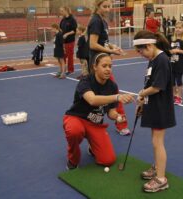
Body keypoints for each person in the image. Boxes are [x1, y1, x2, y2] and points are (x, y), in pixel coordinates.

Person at [63, 53, 135, 169]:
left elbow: (110, 112)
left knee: (108, 160)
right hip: (77, 118)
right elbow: (92, 100)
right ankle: (73, 160)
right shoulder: (85, 81)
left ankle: (93, 147)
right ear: (95, 67)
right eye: (104, 66)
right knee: (74, 131)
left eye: (110, 66)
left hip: (95, 124)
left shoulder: (112, 86)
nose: (108, 69)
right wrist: (117, 97)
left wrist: (117, 116)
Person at [133, 30, 175, 193]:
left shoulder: (162, 60)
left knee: (157, 142)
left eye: (141, 50)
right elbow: (149, 83)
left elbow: (157, 87)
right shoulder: (153, 59)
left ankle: (161, 179)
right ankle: (157, 167)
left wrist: (142, 94)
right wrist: (143, 102)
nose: (140, 54)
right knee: (154, 141)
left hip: (161, 108)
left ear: (150, 45)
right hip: (153, 105)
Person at [87, 0, 131, 136]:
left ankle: (94, 126)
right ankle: (121, 124)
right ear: (97, 6)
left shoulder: (103, 21)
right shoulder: (96, 21)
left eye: (109, 6)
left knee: (99, 95)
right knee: (114, 93)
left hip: (102, 62)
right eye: (104, 6)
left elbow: (103, 42)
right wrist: (111, 52)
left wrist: (112, 47)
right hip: (97, 64)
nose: (107, 9)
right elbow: (93, 44)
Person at [170, 21, 183, 105]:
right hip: (171, 63)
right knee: (171, 81)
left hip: (180, 64)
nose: (177, 29)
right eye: (176, 28)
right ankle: (174, 95)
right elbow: (169, 49)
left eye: (180, 28)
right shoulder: (172, 39)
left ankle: (179, 97)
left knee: (178, 80)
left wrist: (178, 50)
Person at [59, 6, 77, 75]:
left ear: (66, 10)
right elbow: (60, 29)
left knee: (70, 56)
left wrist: (67, 34)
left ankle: (70, 70)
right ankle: (64, 69)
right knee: (63, 56)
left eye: (62, 11)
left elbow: (74, 31)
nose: (61, 12)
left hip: (70, 41)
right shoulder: (63, 19)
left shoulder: (72, 19)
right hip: (63, 41)